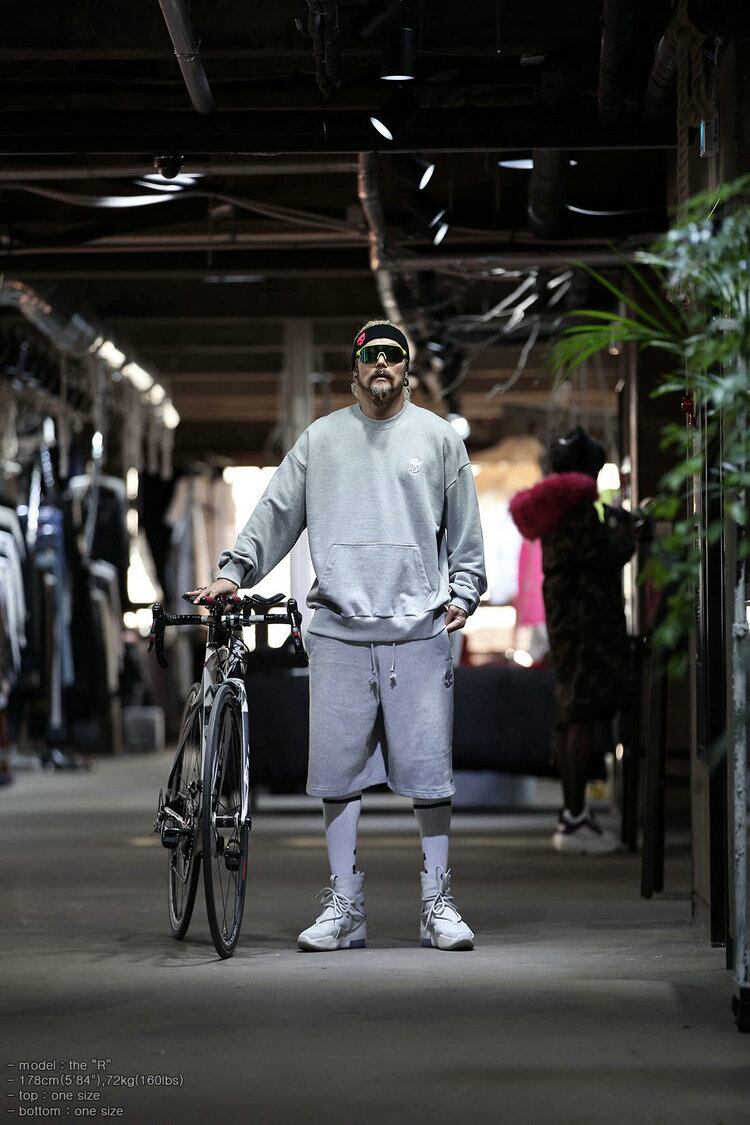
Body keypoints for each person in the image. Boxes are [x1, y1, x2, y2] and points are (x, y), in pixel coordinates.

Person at [188, 319, 487, 950]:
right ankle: (345, 905)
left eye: (393, 356)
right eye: (370, 355)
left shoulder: (438, 439)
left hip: (419, 628)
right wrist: (233, 573)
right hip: (339, 630)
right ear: (354, 369)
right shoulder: (321, 441)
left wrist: (465, 590)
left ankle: (436, 902)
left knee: (430, 773)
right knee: (336, 772)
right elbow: (276, 511)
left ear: (406, 369)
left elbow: (465, 528)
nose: (382, 365)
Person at [509, 426, 636, 855]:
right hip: (585, 623)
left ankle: (571, 813)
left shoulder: (555, 507)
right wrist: (630, 534)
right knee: (578, 714)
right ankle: (576, 816)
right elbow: (604, 554)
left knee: (568, 714)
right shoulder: (576, 506)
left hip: (567, 622)